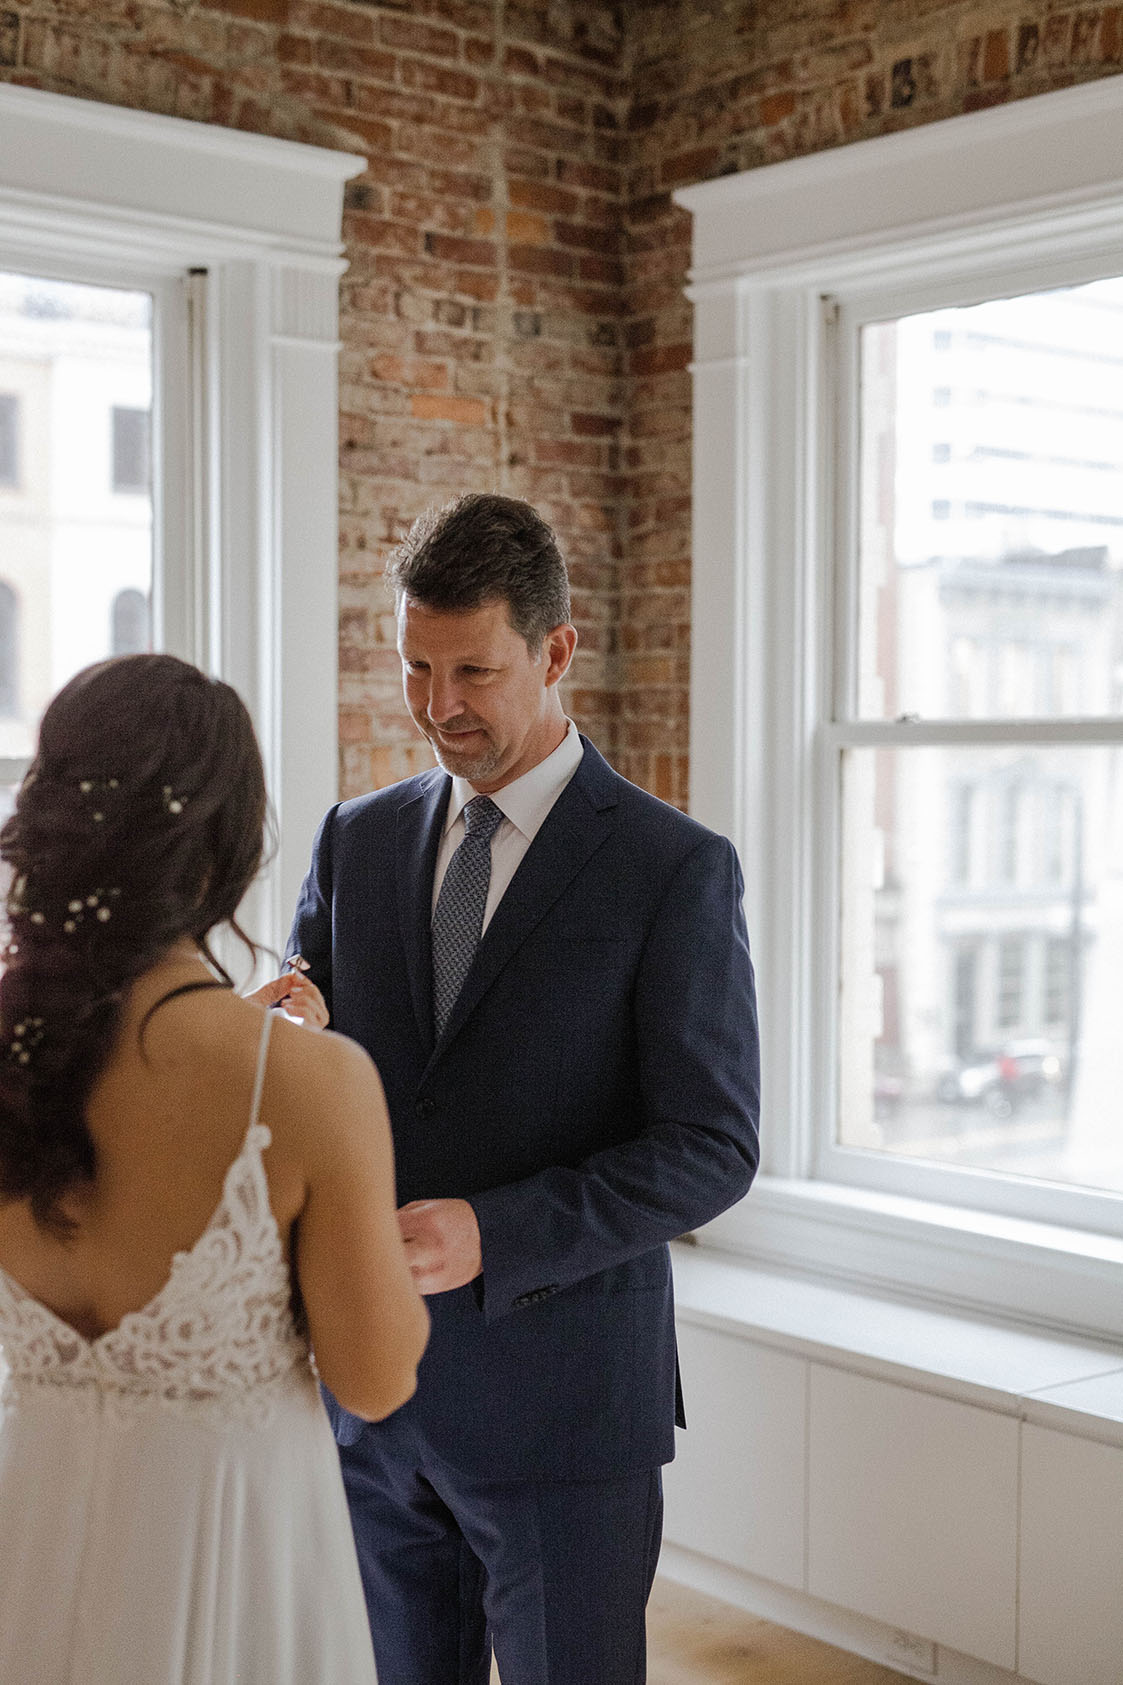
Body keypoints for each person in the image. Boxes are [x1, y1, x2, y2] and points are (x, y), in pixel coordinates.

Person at [288, 493, 761, 1685]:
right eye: (414, 667)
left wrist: (494, 1231)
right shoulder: (356, 839)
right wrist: (280, 1032)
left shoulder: (674, 870)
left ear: (556, 650)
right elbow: (316, 1031)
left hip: (564, 1420)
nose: (439, 706)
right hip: (374, 1399)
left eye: (473, 671)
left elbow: (711, 1146)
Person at [0, 653, 429, 1685]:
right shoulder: (309, 1084)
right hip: (231, 1549)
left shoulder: (16, 1056)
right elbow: (375, 1378)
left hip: (36, 1528)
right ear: (221, 848)